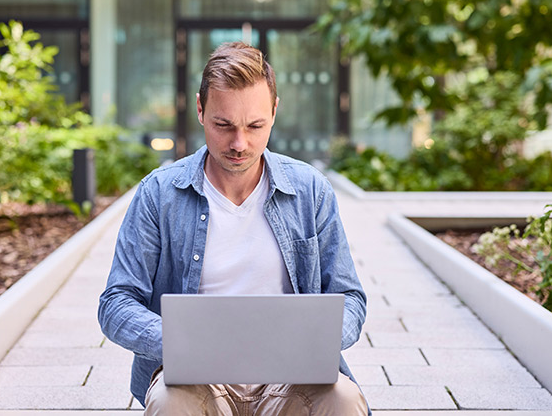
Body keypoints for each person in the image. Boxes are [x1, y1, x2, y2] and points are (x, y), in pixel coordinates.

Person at [98, 41, 369, 415]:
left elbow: (350, 297)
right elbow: (116, 303)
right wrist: (182, 342)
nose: (239, 144)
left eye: (255, 126)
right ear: (200, 109)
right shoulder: (158, 194)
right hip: (197, 379)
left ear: (274, 112)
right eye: (223, 125)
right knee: (166, 402)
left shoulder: (310, 190)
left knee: (345, 399)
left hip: (291, 378)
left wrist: (316, 342)